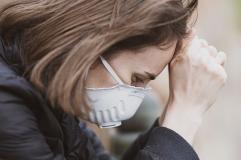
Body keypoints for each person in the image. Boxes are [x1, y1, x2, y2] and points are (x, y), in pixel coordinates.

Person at [0, 0, 227, 159]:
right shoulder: (7, 103)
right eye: (137, 78)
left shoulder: (50, 102)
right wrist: (184, 117)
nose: (137, 97)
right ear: (94, 45)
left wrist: (173, 113)